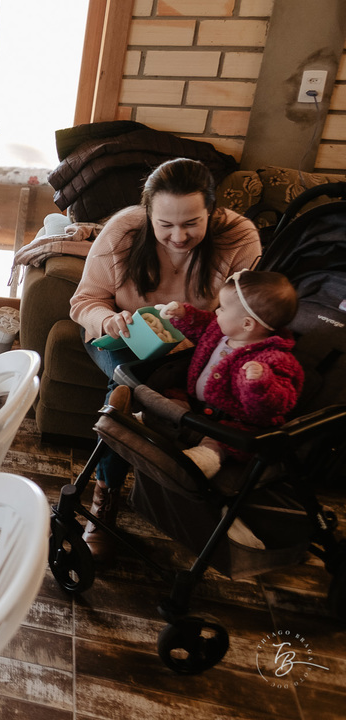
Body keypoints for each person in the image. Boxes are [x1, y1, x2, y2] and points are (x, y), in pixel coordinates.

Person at [69, 157, 261, 560]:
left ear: (212, 210)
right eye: (165, 225)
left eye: (192, 223)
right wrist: (108, 319)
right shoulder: (124, 230)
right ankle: (105, 497)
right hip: (119, 339)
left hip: (195, 342)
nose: (178, 236)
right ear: (148, 213)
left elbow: (250, 315)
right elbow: (84, 301)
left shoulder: (239, 236)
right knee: (128, 384)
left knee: (154, 389)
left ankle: (179, 487)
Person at [158, 269, 303, 479]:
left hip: (233, 425)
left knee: (218, 443)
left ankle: (201, 461)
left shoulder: (274, 359)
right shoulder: (220, 331)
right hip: (197, 408)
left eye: (222, 309)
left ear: (247, 324)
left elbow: (279, 402)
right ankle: (141, 418)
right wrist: (184, 314)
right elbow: (202, 325)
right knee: (168, 406)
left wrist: (261, 383)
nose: (217, 312)